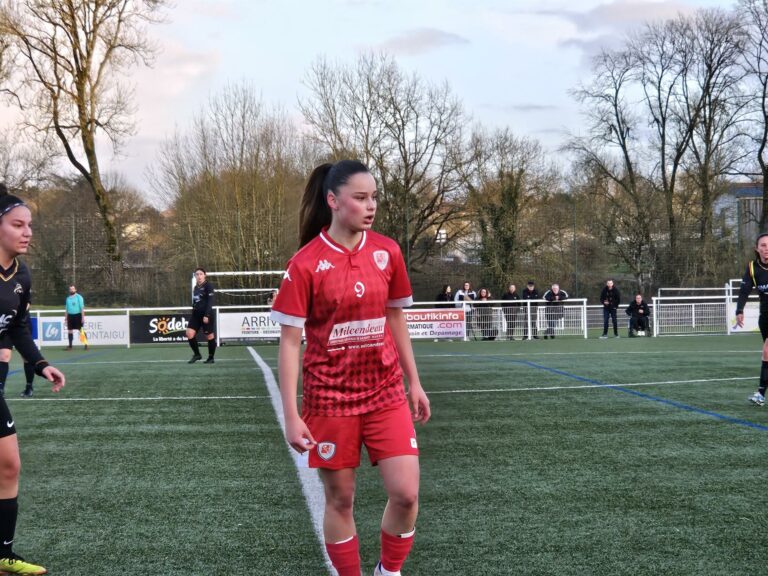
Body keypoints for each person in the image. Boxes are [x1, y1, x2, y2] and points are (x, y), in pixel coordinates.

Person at [270, 160, 430, 576]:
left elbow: (396, 316)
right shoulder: (305, 264)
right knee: (341, 500)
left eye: (373, 197)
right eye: (360, 198)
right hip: (329, 401)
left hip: (385, 393)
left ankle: (388, 572)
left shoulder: (387, 251)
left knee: (406, 493)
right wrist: (292, 415)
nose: (370, 205)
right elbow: (290, 343)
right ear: (333, 200)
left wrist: (415, 382)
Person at [0, 184, 66, 575]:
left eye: (29, 226)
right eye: (17, 224)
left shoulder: (20, 274)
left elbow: (19, 325)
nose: (27, 232)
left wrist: (41, 364)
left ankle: (3, 555)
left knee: (9, 465)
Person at [736, 232, 768, 406]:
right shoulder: (752, 268)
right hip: (765, 318)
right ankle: (761, 394)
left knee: (767, 351)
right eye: (763, 245)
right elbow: (744, 290)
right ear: (757, 249)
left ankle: (760, 394)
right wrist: (739, 310)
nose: (766, 249)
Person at [186, 267, 217, 364]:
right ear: (195, 276)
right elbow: (196, 301)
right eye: (197, 274)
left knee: (209, 336)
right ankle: (197, 354)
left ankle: (211, 357)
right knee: (189, 333)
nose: (199, 276)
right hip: (196, 315)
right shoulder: (196, 287)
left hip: (206, 314)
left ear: (205, 275)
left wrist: (207, 315)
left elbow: (210, 302)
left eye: (201, 274)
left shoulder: (209, 286)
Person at [64, 284, 88, 350]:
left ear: (75, 290)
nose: (71, 290)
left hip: (78, 315)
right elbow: (66, 309)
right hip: (70, 316)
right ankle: (70, 346)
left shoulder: (79, 297)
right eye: (70, 289)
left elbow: (82, 308)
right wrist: (66, 318)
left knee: (81, 330)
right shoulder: (68, 298)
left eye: (73, 289)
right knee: (70, 331)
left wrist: (83, 318)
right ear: (69, 290)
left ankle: (86, 344)